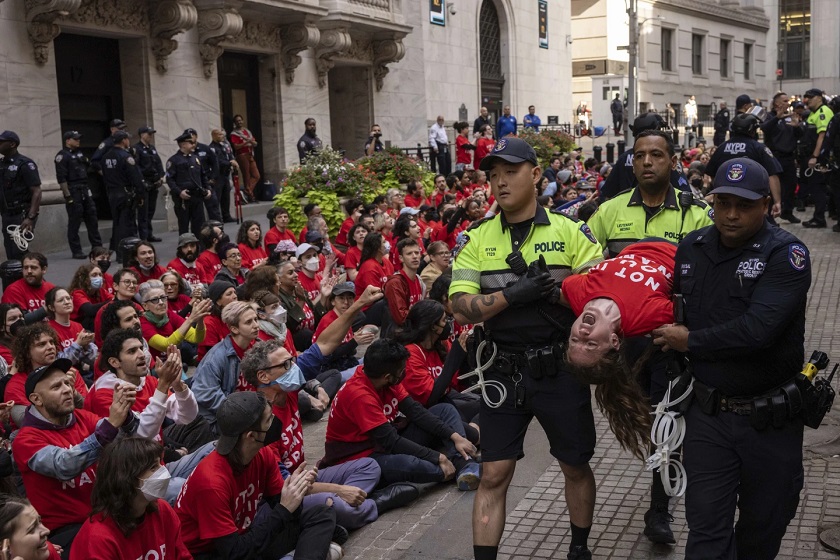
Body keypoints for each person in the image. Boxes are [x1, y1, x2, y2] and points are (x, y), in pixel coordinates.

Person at [448, 136, 604, 560]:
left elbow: (601, 300)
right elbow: (460, 308)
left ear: (536, 175)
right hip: (503, 373)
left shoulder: (572, 231)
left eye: (510, 172)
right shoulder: (475, 238)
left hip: (560, 369)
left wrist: (556, 292)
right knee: (493, 473)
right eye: (493, 175)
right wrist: (511, 297)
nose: (499, 182)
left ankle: (578, 548)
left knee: (574, 464)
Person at [652, 158, 811, 559]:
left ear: (766, 205)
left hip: (771, 420)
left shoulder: (786, 254)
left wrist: (689, 341)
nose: (732, 214)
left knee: (764, 526)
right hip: (709, 417)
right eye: (723, 203)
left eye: (744, 205)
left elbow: (759, 330)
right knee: (705, 529)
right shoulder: (692, 246)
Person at [241, 339, 415, 530]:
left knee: (369, 466)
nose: (293, 368)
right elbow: (285, 486)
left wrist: (316, 388)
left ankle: (338, 511)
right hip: (284, 495)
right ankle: (375, 503)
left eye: (292, 361)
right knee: (330, 500)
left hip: (306, 478)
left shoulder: (288, 394)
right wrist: (339, 489)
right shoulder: (260, 424)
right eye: (286, 364)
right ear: (263, 376)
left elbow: (322, 347)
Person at [174, 391, 338, 560]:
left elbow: (289, 515)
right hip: (211, 553)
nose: (275, 422)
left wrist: (295, 490)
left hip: (244, 537)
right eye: (269, 420)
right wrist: (284, 509)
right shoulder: (211, 482)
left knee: (321, 514)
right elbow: (234, 553)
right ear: (251, 436)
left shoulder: (262, 454)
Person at [12, 358, 138, 556]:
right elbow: (64, 465)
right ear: (37, 399)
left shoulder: (81, 416)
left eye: (67, 383)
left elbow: (119, 441)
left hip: (106, 513)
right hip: (67, 529)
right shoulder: (25, 440)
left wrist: (125, 415)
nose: (67, 390)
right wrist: (111, 425)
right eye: (56, 387)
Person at [321, 338, 480, 491]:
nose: (404, 373)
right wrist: (437, 457)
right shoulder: (360, 395)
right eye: (402, 371)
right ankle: (457, 466)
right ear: (388, 377)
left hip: (387, 438)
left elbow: (416, 412)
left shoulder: (382, 379)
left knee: (444, 410)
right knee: (411, 464)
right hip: (364, 456)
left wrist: (454, 436)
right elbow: (391, 441)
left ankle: (464, 465)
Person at [87, 329, 213, 501]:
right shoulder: (105, 393)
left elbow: (188, 416)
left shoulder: (148, 381)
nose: (142, 355)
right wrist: (162, 387)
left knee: (216, 450)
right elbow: (139, 438)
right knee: (189, 488)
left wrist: (178, 386)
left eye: (141, 348)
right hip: (134, 479)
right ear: (115, 362)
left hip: (159, 465)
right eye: (132, 351)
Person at [589, 130, 714, 258]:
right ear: (633, 165)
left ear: (673, 162)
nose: (646, 162)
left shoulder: (699, 214)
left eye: (656, 154)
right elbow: (584, 262)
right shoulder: (608, 211)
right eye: (639, 156)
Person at [69, 437, 192, 560]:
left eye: (160, 463)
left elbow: (182, 556)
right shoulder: (98, 539)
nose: (163, 471)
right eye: (153, 467)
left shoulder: (162, 510)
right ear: (127, 478)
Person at [394, 300, 479, 436]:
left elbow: (458, 384)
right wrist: (454, 358)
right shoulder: (411, 353)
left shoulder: (441, 345)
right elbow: (431, 398)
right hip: (424, 414)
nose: (448, 324)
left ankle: (474, 431)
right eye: (444, 320)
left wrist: (466, 358)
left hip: (446, 399)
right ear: (433, 326)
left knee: (487, 404)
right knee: (471, 432)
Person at [705, 113, 783, 218]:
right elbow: (772, 174)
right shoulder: (759, 148)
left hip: (726, 200)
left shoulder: (721, 148)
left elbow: (711, 174)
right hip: (751, 199)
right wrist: (777, 201)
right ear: (752, 130)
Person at [598, 112, 689, 202]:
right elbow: (685, 193)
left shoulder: (623, 158)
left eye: (656, 155)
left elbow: (608, 194)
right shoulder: (667, 158)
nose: (646, 162)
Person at [55, 131, 102, 258]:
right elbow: (62, 178)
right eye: (75, 139)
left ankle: (97, 246)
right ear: (67, 141)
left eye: (78, 139)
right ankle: (76, 250)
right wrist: (68, 195)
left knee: (92, 217)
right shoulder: (62, 156)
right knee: (75, 220)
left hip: (85, 188)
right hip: (73, 190)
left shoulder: (79, 154)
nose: (78, 141)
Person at [138, 279, 210, 362]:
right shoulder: (143, 323)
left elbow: (196, 338)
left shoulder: (169, 315)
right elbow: (166, 345)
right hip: (155, 369)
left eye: (163, 297)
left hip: (173, 363)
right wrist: (191, 319)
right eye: (155, 300)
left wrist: (200, 319)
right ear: (145, 306)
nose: (161, 302)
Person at [761, 92, 802, 225]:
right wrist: (777, 118)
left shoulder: (790, 117)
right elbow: (764, 129)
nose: (787, 103)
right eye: (784, 101)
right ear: (777, 103)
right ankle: (770, 216)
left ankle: (787, 212)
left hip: (789, 157)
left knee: (791, 185)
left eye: (787, 101)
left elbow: (799, 135)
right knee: (773, 188)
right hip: (775, 156)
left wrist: (797, 127)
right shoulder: (770, 116)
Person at [0, 130, 42, 261]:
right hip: (7, 214)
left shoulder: (25, 164)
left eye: (1, 142)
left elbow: (37, 191)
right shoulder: (1, 164)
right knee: (11, 253)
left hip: (22, 214)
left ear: (12, 144)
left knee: (19, 251)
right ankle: (18, 280)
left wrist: (30, 217)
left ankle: (37, 278)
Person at [101, 130, 143, 250]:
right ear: (124, 140)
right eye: (127, 139)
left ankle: (115, 247)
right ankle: (124, 252)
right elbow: (136, 178)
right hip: (125, 193)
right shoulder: (125, 157)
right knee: (127, 224)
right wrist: (140, 195)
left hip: (112, 193)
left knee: (117, 222)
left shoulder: (106, 156)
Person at [799, 88, 835, 228]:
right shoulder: (814, 113)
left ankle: (819, 218)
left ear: (819, 97)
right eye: (806, 97)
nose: (807, 100)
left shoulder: (823, 112)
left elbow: (822, 135)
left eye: (811, 97)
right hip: (811, 155)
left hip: (818, 157)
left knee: (817, 187)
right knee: (814, 187)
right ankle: (818, 216)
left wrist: (815, 156)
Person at [45, 287, 97, 380]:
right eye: (61, 300)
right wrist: (78, 345)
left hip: (85, 373)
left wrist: (87, 347)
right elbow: (59, 362)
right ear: (51, 307)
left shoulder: (78, 326)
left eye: (68, 298)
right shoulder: (48, 330)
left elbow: (92, 357)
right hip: (65, 376)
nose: (66, 302)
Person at [167, 133, 211, 235]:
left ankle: (200, 249)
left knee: (199, 226)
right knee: (184, 226)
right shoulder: (174, 160)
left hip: (197, 196)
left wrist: (208, 189)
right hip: (183, 198)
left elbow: (203, 176)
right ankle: (185, 249)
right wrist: (179, 192)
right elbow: (170, 180)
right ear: (183, 145)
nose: (194, 144)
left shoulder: (195, 158)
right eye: (191, 142)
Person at [133, 126, 166, 242]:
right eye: (149, 134)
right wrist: (141, 182)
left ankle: (149, 233)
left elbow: (158, 162)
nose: (150, 137)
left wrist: (161, 176)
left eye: (151, 134)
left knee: (151, 210)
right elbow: (136, 167)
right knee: (143, 212)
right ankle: (143, 236)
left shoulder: (152, 148)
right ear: (142, 135)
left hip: (154, 182)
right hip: (144, 184)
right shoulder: (136, 149)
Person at [383, 238, 424, 329]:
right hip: (398, 335)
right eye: (409, 254)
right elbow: (401, 318)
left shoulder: (419, 280)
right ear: (401, 258)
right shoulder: (395, 283)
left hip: (415, 329)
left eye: (417, 253)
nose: (414, 256)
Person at [197, 280, 238, 360]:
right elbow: (212, 354)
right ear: (218, 301)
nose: (235, 296)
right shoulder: (209, 322)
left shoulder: (237, 317)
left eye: (234, 292)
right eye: (229, 294)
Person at [209, 128, 238, 223]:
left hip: (226, 174)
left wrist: (232, 161)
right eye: (220, 135)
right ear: (214, 136)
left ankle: (226, 215)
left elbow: (229, 155)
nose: (222, 137)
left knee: (226, 196)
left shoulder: (224, 146)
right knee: (217, 196)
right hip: (218, 175)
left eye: (222, 135)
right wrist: (229, 162)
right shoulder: (212, 148)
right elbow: (218, 161)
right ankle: (217, 218)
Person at [229, 114, 260, 201]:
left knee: (256, 175)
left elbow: (254, 142)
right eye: (237, 121)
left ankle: (247, 192)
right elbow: (236, 147)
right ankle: (250, 196)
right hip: (242, 155)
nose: (239, 122)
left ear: (242, 121)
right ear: (235, 123)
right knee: (246, 175)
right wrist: (247, 142)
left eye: (240, 120)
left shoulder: (247, 131)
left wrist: (253, 142)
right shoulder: (234, 134)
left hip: (250, 154)